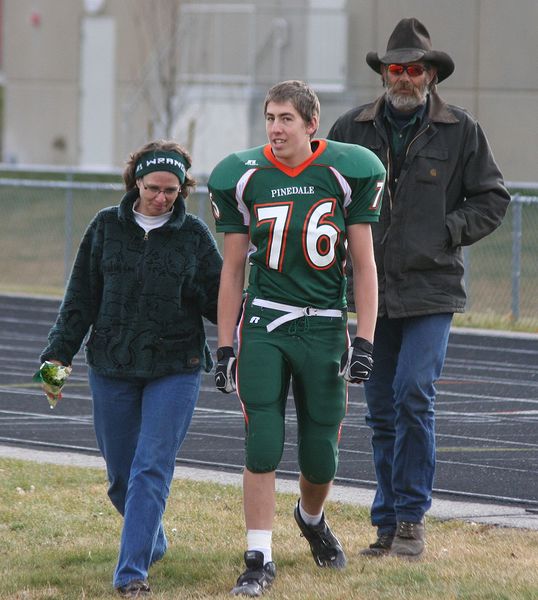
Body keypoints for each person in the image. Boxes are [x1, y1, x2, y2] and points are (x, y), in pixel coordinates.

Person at [327, 18, 511, 560]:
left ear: (430, 75)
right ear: (384, 73)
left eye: (412, 69)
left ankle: (411, 519)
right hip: (368, 292)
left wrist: (448, 231)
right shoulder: (350, 127)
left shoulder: (462, 130)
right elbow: (321, 193)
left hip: (432, 290)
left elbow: (492, 199)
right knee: (380, 408)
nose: (402, 78)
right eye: (394, 69)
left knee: (414, 395)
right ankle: (385, 523)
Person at [208, 80, 386, 596]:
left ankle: (310, 518)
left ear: (312, 124)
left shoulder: (348, 170)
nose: (275, 128)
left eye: (286, 118)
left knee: (320, 453)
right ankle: (258, 555)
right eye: (269, 117)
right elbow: (233, 269)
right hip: (266, 322)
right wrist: (225, 345)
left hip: (326, 322)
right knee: (262, 439)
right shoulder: (242, 176)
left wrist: (366, 339)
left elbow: (365, 265)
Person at [38, 140, 222, 596]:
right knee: (121, 476)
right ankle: (151, 540)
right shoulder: (105, 228)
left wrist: (250, 309)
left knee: (150, 468)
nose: (162, 198)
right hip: (112, 365)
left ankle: (131, 574)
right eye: (154, 188)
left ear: (183, 188)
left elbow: (221, 300)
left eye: (172, 190)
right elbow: (80, 299)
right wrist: (56, 358)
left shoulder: (194, 236)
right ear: (136, 182)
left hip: (175, 367)